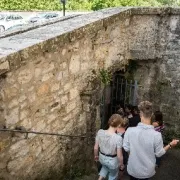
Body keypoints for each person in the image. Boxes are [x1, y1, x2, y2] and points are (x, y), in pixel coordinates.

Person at [123, 101, 179, 180]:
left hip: (133, 168)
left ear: (140, 114)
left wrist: (134, 156)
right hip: (147, 171)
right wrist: (170, 145)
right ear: (152, 115)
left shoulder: (129, 130)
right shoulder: (156, 135)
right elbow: (159, 153)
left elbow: (126, 148)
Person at [94, 114, 124, 180]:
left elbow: (96, 148)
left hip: (101, 158)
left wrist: (96, 156)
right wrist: (121, 165)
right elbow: (119, 156)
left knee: (104, 167)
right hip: (112, 161)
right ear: (119, 125)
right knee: (113, 176)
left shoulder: (100, 132)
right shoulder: (118, 138)